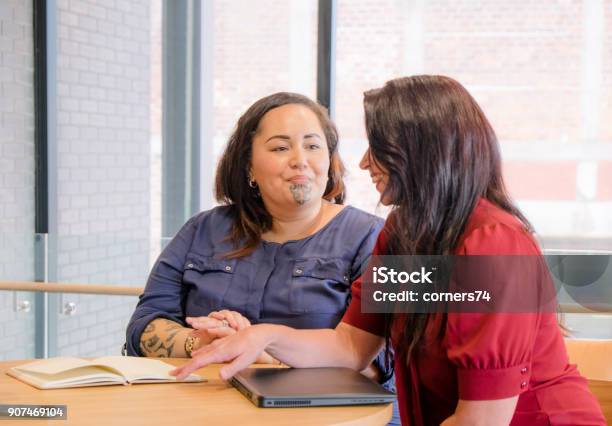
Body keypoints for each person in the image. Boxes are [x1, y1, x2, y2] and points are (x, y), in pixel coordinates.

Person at [171, 76, 606, 426]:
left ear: (423, 154)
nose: (362, 163)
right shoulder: (409, 233)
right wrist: (264, 335)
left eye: (377, 148)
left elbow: (481, 420)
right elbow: (350, 347)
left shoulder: (492, 247)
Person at [125, 92, 398, 417]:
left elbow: (385, 363)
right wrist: (201, 341)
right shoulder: (202, 229)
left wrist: (264, 351)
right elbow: (143, 328)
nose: (300, 159)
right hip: (203, 411)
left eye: (312, 146)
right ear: (248, 166)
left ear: (329, 160)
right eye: (281, 148)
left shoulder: (375, 237)